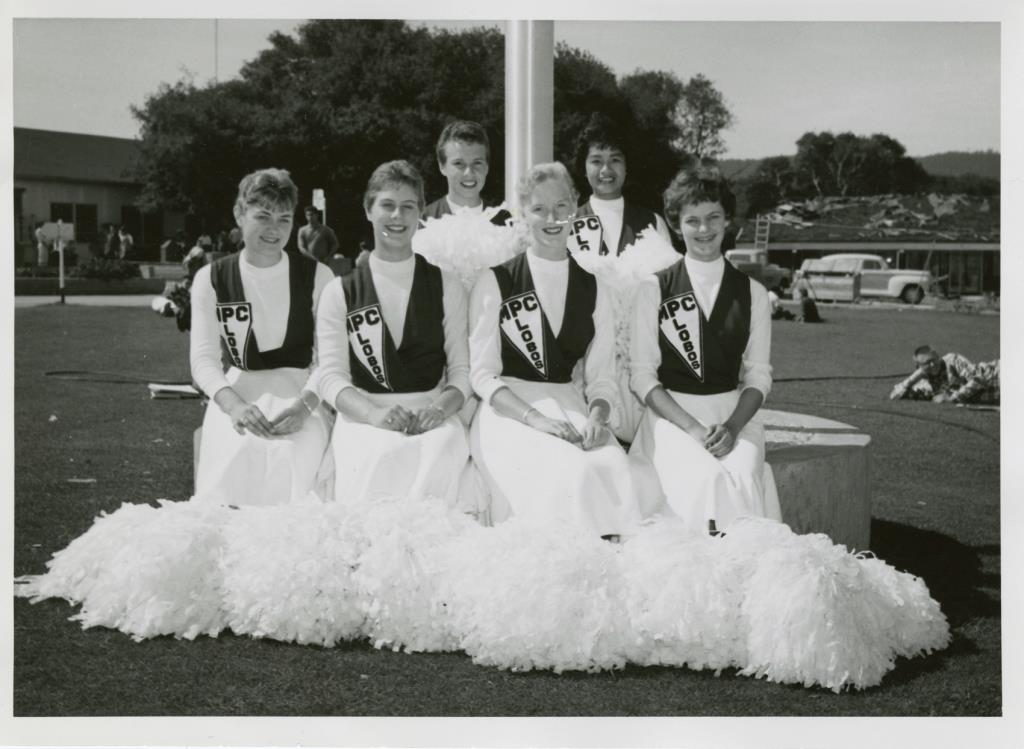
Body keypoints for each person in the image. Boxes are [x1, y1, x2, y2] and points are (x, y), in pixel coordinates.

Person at [469, 162, 664, 538]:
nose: (552, 218)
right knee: (569, 470)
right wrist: (535, 420)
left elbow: (602, 378)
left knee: (610, 464)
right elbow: (482, 375)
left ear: (576, 208)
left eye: (561, 207)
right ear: (523, 214)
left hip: (569, 406)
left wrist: (598, 416)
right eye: (539, 209)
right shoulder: (496, 280)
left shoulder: (595, 288)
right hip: (508, 413)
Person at [629, 165, 780, 536]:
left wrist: (731, 428)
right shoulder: (654, 289)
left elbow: (758, 375)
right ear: (677, 225)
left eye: (713, 217)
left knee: (743, 476)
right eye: (692, 220)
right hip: (672, 419)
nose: (704, 229)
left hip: (733, 415)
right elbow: (642, 376)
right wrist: (695, 430)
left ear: (728, 220)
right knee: (705, 478)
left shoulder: (753, 294)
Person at [314, 161, 472, 506]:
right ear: (368, 210)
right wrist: (373, 414)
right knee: (378, 457)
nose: (397, 216)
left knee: (440, 452)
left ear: (420, 214)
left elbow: (462, 373)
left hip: (432, 413)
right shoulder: (340, 291)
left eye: (408, 206)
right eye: (387, 205)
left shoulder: (446, 285)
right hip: (365, 416)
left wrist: (439, 410)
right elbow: (331, 378)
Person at [189, 168, 336, 506]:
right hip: (237, 393)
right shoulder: (211, 278)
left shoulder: (318, 276)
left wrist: (304, 408)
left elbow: (331, 360)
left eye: (284, 219)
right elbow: (203, 360)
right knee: (237, 451)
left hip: (301, 393)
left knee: (295, 451)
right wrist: (234, 406)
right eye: (263, 216)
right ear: (240, 214)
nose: (274, 229)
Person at [574, 113, 671, 256]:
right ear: (584, 168)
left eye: (615, 160)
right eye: (596, 161)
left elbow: (669, 277)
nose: (606, 169)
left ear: (627, 166)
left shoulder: (653, 224)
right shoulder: (569, 226)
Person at [421, 120, 511, 227]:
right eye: (459, 163)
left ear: (487, 166)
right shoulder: (423, 222)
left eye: (477, 163)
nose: (469, 172)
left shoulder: (505, 222)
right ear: (442, 166)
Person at [889, 345, 1000, 404]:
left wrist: (952, 398)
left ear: (937, 356)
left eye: (933, 360)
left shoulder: (952, 360)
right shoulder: (927, 384)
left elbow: (978, 379)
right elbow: (896, 395)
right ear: (919, 367)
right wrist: (913, 378)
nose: (933, 365)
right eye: (927, 363)